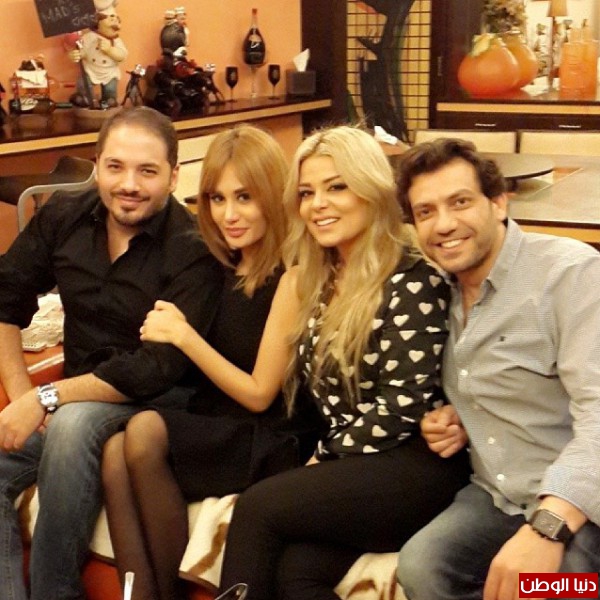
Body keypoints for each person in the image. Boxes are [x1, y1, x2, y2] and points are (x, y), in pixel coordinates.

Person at [217, 126, 471, 600]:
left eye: (337, 187)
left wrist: (324, 456)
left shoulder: (413, 276)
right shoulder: (322, 276)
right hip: (359, 464)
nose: (318, 204)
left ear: (371, 190)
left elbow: (404, 404)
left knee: (256, 508)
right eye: (306, 193)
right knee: (296, 573)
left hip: (418, 464)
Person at [0, 106, 222, 600]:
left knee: (73, 423)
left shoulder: (192, 247)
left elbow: (156, 368)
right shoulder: (63, 216)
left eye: (148, 171)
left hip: (159, 404)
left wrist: (49, 397)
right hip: (75, 395)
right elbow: (5, 295)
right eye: (116, 167)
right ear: (97, 165)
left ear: (173, 176)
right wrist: (22, 394)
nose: (129, 185)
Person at [101, 124, 322, 600]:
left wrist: (185, 337)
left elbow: (260, 394)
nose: (229, 215)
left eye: (244, 197)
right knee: (114, 453)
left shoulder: (292, 275)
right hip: (219, 419)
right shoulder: (220, 264)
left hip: (272, 434)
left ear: (273, 197)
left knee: (143, 431)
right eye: (217, 199)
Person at [395, 138, 600, 600]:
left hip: (580, 499)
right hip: (498, 495)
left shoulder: (570, 274)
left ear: (499, 203)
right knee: (423, 568)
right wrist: (451, 418)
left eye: (460, 202)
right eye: (425, 212)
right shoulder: (436, 292)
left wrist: (547, 528)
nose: (444, 224)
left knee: (559, 589)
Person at [69, 3, 127, 108]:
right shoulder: (89, 37)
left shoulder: (116, 41)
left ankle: (108, 101)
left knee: (110, 89)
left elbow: (122, 56)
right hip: (91, 70)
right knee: (83, 83)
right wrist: (76, 54)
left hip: (109, 72)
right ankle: (85, 99)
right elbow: (82, 51)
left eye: (116, 18)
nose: (114, 20)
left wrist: (110, 50)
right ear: (98, 22)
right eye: (109, 18)